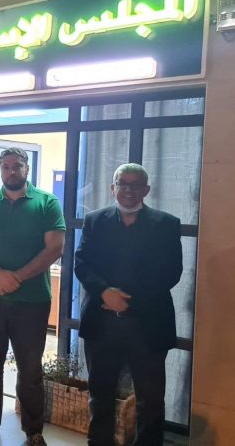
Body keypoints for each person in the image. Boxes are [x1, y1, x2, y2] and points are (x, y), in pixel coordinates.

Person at [0, 147, 65, 446]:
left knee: (30, 370)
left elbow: (55, 248)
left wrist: (15, 277)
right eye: (6, 166)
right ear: (0, 169)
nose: (11, 171)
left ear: (27, 169)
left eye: (17, 165)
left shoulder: (47, 202)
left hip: (31, 302)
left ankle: (33, 432)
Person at [75, 163, 182, 446]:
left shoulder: (166, 224)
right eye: (123, 183)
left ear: (146, 190)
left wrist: (125, 302)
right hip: (102, 322)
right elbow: (82, 263)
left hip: (148, 324)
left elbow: (171, 272)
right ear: (113, 188)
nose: (128, 190)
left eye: (136, 185)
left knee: (151, 400)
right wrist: (104, 293)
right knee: (100, 395)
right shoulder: (95, 221)